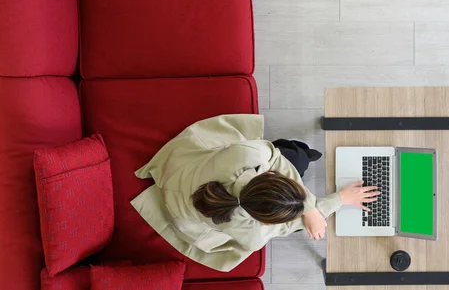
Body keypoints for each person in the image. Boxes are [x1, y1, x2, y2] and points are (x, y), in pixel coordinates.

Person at [130, 114, 379, 272]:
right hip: (182, 210)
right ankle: (304, 155)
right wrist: (339, 200)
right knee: (295, 158)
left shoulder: (243, 156)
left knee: (291, 158)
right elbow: (291, 224)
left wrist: (312, 206)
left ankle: (303, 156)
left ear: (268, 176)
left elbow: (272, 155)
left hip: (182, 175)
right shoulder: (251, 236)